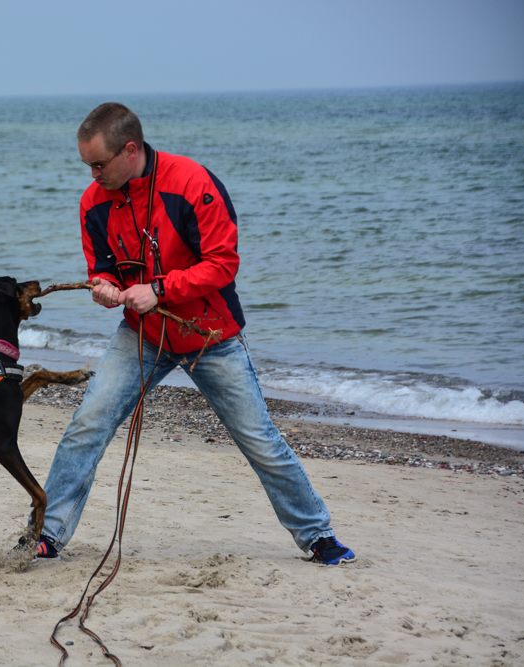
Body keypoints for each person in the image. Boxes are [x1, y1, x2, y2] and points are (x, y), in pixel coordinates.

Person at [29, 102, 354, 565]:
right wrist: (104, 287)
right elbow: (102, 269)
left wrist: (160, 289)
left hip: (209, 335)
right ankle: (46, 534)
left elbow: (223, 264)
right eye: (87, 166)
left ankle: (318, 536)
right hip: (141, 334)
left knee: (258, 438)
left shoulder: (191, 182)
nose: (92, 175)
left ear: (130, 150)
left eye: (99, 164)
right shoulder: (92, 202)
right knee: (87, 425)